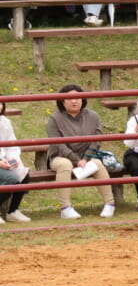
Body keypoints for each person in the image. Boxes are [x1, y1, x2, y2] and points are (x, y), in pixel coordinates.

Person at [46, 84, 116, 220]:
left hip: (86, 157)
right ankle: (65, 208)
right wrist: (76, 160)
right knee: (65, 165)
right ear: (62, 101)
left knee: (97, 163)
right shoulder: (54, 118)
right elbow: (58, 144)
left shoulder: (93, 116)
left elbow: (97, 139)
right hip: (60, 157)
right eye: (70, 98)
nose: (74, 101)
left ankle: (110, 204)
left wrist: (85, 158)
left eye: (77, 98)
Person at [0, 100, 31, 223]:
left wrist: (14, 160)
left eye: (1, 103)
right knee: (11, 178)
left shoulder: (4, 122)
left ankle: (12, 211)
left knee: (23, 173)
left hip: (4, 160)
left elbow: (12, 144)